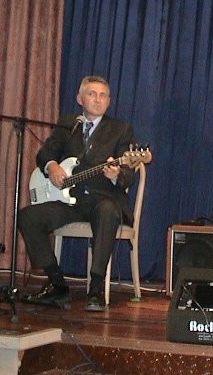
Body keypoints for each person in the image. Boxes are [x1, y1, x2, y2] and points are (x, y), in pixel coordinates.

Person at [18, 75, 137, 312]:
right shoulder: (68, 124)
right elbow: (44, 154)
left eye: (103, 95)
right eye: (92, 94)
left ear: (109, 101)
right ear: (79, 98)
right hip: (69, 202)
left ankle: (96, 287)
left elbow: (129, 174)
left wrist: (116, 175)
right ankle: (57, 284)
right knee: (28, 216)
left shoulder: (121, 129)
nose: (98, 99)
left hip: (102, 200)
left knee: (107, 211)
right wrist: (52, 166)